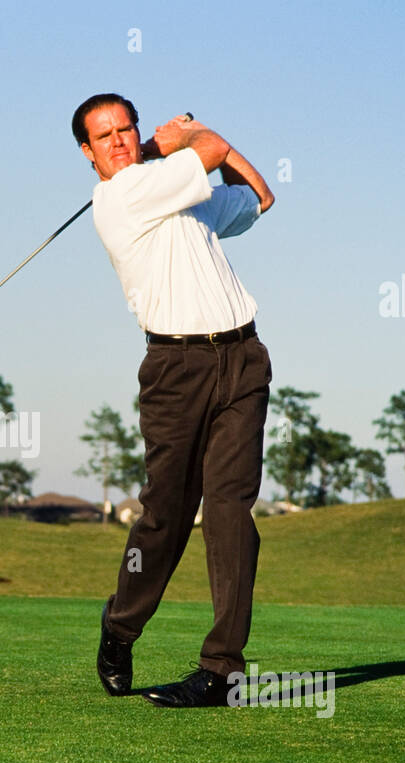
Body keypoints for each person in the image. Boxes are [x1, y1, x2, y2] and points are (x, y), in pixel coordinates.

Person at [74, 93, 275, 707]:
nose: (118, 141)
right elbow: (210, 152)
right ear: (89, 154)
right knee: (166, 513)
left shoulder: (183, 196)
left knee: (230, 514)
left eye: (126, 129)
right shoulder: (118, 199)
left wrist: (185, 140)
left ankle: (222, 671)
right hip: (174, 369)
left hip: (241, 359)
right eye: (103, 136)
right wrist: (188, 135)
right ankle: (121, 625)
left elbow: (261, 194)